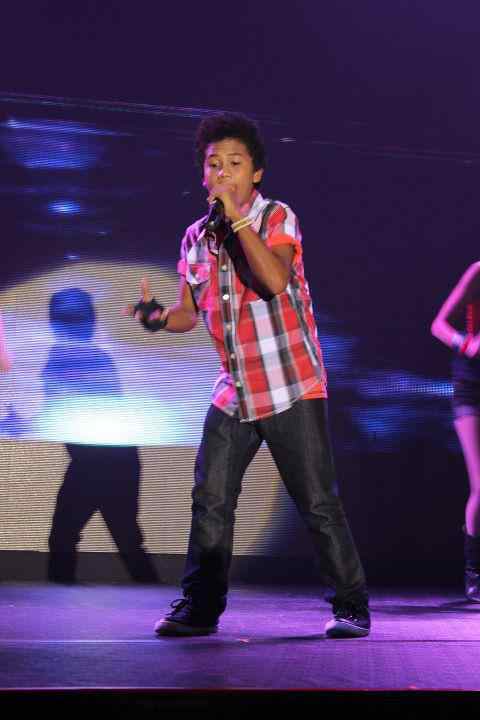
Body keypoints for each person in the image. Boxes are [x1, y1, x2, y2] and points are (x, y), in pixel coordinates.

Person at [131, 112, 370, 637]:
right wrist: (157, 318)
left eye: (234, 164)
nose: (222, 172)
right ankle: (200, 607)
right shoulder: (196, 238)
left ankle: (351, 605)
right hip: (235, 389)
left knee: (317, 502)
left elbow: (273, 280)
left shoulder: (276, 217)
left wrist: (238, 220)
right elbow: (188, 312)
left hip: (291, 382)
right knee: (210, 499)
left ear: (255, 172)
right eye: (213, 164)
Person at [45, 288, 158, 584]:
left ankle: (60, 594)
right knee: (121, 538)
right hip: (107, 460)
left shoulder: (82, 359)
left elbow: (69, 406)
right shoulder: (70, 357)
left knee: (73, 536)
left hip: (104, 461)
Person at [432, 262, 480, 602]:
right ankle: (475, 572)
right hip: (472, 390)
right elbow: (439, 325)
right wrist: (466, 343)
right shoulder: (478, 272)